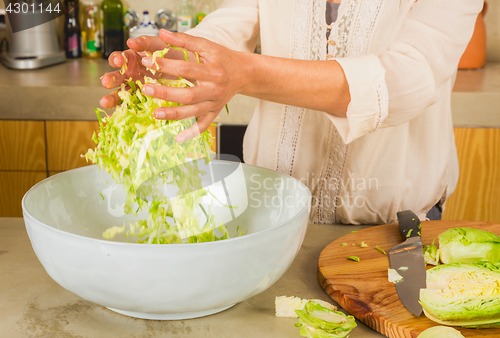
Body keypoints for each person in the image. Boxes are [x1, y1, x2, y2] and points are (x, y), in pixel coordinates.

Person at [100, 0, 483, 225]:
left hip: (393, 229)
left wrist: (246, 73)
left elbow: (409, 78)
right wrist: (169, 61)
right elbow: (226, 32)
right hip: (273, 217)